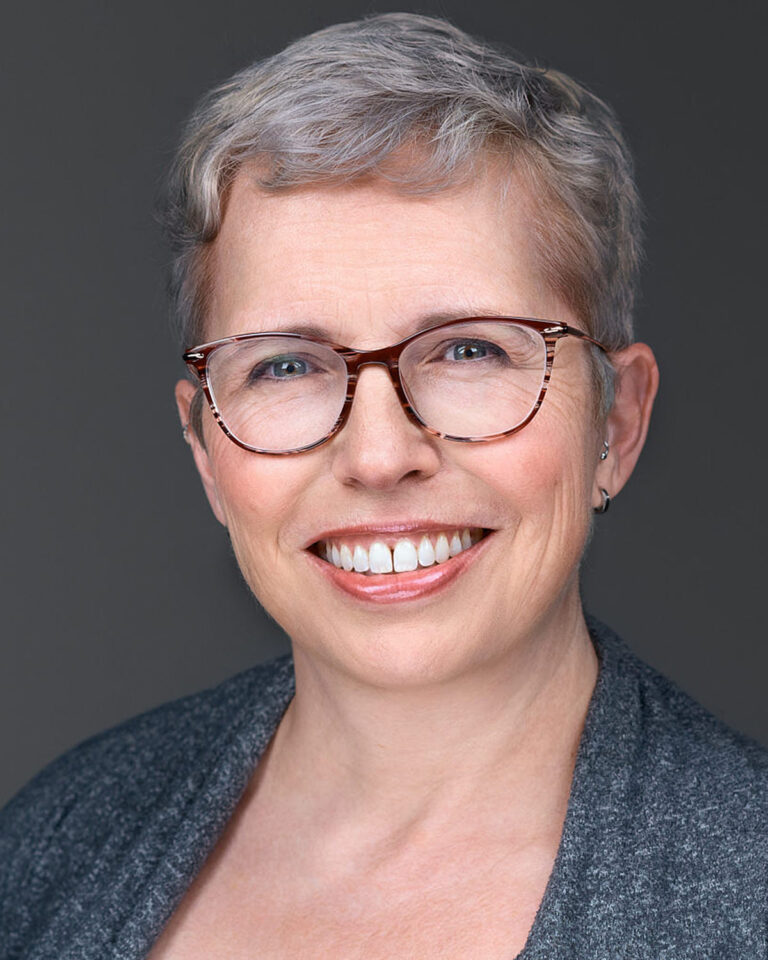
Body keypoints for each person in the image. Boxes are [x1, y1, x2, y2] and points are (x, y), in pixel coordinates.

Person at [1, 13, 766, 959]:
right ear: (205, 447)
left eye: (469, 350)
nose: (377, 455)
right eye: (285, 366)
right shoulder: (53, 845)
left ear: (615, 423)